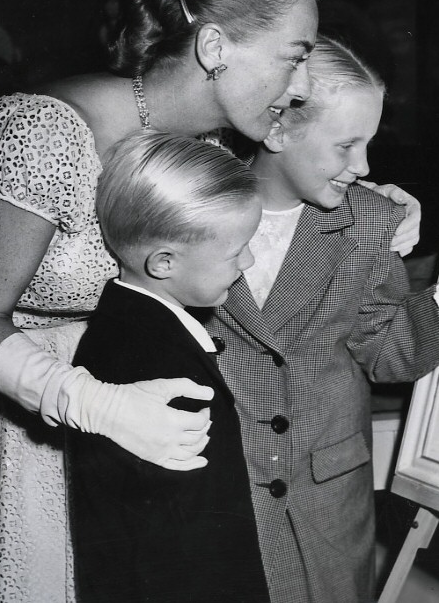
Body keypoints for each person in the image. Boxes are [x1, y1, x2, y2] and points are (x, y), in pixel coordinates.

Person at [0, 0, 419, 602]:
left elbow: (281, 192)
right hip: (17, 423)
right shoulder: (44, 131)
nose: (300, 85)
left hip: (130, 422)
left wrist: (375, 204)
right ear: (215, 49)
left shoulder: (210, 146)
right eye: (293, 57)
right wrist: (98, 405)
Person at [210, 35, 439, 602]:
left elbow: (383, 351)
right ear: (277, 128)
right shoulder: (192, 204)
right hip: (218, 500)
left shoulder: (369, 222)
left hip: (325, 509)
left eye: (370, 144)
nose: (363, 165)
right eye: (346, 145)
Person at [67, 132, 268, 602]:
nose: (249, 260)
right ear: (163, 262)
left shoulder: (126, 328)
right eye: (235, 251)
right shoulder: (159, 368)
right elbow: (183, 534)